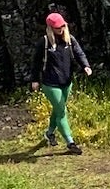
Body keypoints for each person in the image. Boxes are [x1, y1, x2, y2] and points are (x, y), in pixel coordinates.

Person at [30, 11, 93, 154]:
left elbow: (79, 53)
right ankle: (70, 143)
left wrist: (86, 66)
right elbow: (36, 62)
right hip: (50, 84)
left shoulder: (69, 39)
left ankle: (49, 133)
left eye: (63, 26)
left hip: (66, 82)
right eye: (58, 27)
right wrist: (34, 80)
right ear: (51, 28)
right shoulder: (44, 42)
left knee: (58, 109)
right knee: (62, 111)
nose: (61, 29)